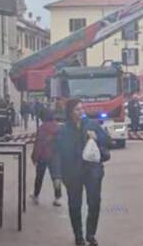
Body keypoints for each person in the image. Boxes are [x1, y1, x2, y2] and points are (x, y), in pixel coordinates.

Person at [56, 99, 110, 246]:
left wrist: (97, 137)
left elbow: (108, 140)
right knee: (75, 205)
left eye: (81, 109)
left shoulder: (92, 125)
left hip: (92, 171)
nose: (81, 112)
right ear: (70, 112)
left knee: (94, 203)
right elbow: (58, 153)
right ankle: (78, 236)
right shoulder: (63, 130)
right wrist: (58, 176)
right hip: (72, 173)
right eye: (77, 110)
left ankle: (90, 234)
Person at [31, 109, 62, 207]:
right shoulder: (58, 127)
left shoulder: (42, 128)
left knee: (39, 176)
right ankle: (57, 198)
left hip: (43, 156)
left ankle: (36, 196)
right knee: (56, 177)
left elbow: (39, 144)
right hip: (55, 155)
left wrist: (34, 157)